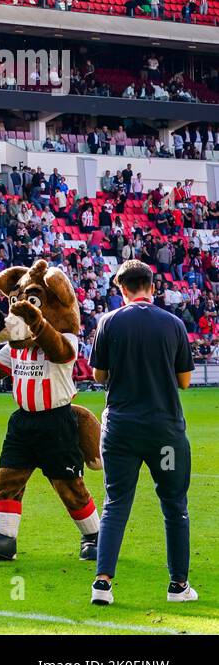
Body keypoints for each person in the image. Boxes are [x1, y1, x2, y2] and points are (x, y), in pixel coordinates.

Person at [89, 259, 198, 605]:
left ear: (121, 289)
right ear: (152, 286)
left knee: (116, 503)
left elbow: (98, 376)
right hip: (163, 430)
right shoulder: (174, 324)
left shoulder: (108, 322)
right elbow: (184, 381)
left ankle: (102, 584)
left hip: (120, 428)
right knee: (173, 504)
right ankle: (178, 586)